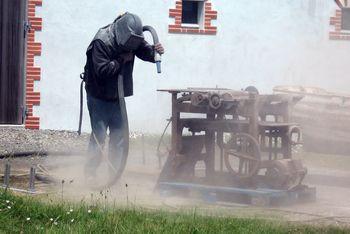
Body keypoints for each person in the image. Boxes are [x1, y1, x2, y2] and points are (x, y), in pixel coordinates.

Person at [82, 12, 164, 182]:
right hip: (98, 96)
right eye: (128, 46)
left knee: (119, 136)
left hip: (117, 96)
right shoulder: (101, 41)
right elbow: (102, 71)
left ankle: (114, 173)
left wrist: (154, 52)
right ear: (121, 33)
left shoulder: (132, 37)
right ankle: (90, 173)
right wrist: (121, 60)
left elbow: (143, 50)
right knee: (99, 136)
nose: (130, 48)